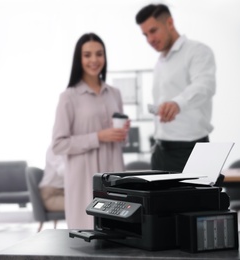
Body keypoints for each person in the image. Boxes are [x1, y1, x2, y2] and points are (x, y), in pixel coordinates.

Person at [52, 33, 129, 229]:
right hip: (83, 178)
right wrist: (98, 137)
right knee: (86, 235)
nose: (94, 60)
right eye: (87, 55)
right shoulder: (68, 97)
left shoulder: (115, 94)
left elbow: (121, 141)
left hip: (114, 175)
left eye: (99, 54)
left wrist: (122, 134)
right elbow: (58, 144)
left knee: (118, 233)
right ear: (79, 59)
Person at [135, 4, 215, 173]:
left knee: (196, 200)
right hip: (161, 152)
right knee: (158, 201)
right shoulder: (160, 62)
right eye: (145, 35)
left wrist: (177, 104)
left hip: (191, 151)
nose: (149, 39)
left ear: (169, 23)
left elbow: (205, 86)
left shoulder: (197, 51)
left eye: (153, 31)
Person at [39, 144, 65, 212]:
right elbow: (62, 171)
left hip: (64, 192)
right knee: (81, 205)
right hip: (51, 195)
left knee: (86, 202)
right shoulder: (54, 148)